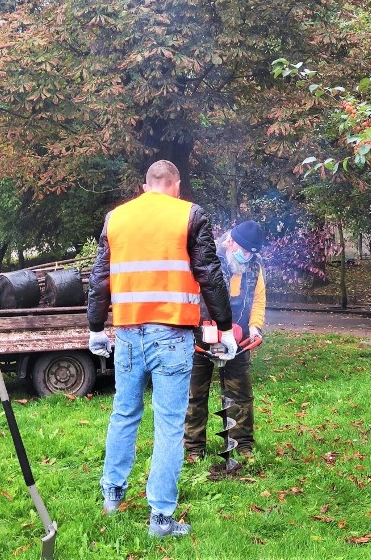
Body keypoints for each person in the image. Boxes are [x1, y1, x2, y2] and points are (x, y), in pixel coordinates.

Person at [87, 160, 234, 537]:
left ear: (146, 185)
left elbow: (100, 276)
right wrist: (223, 326)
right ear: (176, 184)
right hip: (171, 334)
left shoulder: (116, 218)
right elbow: (209, 272)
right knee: (169, 425)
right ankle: (161, 519)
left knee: (124, 412)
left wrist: (94, 326)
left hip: (128, 333)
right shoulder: (189, 214)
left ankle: (111, 497)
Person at [184, 220, 266, 461]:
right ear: (230, 242)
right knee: (194, 394)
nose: (247, 256)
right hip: (202, 336)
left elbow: (259, 299)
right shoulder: (207, 262)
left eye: (252, 252)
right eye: (244, 250)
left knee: (240, 394)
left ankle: (243, 445)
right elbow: (189, 296)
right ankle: (193, 448)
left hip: (238, 340)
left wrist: (255, 327)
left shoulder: (254, 267)